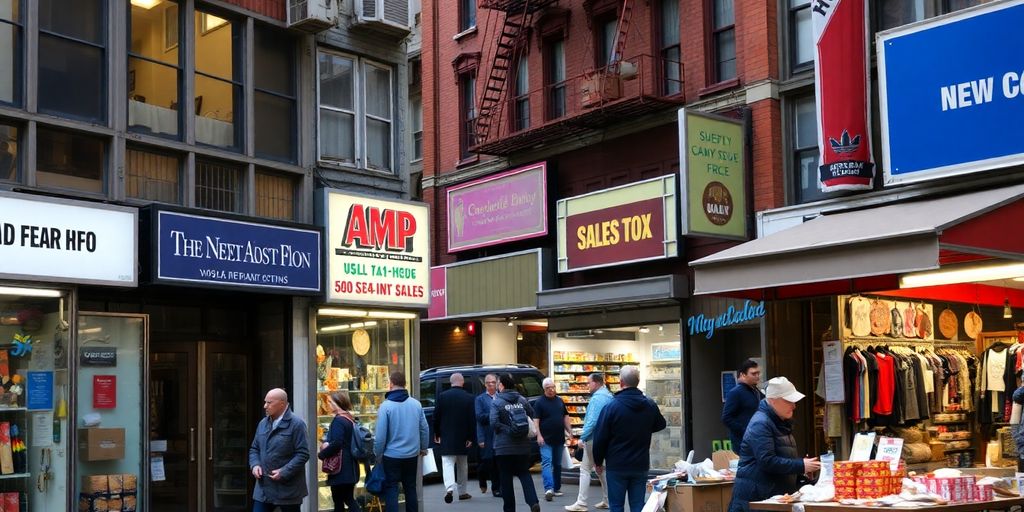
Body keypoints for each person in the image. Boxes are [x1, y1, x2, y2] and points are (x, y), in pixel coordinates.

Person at [729, 377, 820, 512]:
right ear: (773, 400)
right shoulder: (761, 423)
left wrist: (802, 476)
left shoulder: (780, 423)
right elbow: (767, 461)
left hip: (770, 497)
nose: (793, 406)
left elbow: (781, 460)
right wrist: (801, 465)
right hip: (756, 500)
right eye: (789, 401)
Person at [593, 366, 667, 512]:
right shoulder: (649, 404)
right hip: (640, 463)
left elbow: (600, 437)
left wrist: (598, 461)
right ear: (637, 382)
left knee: (616, 506)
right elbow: (661, 424)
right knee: (638, 505)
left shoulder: (611, 407)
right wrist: (644, 429)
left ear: (621, 382)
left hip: (616, 464)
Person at [374, 371, 430, 512]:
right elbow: (424, 428)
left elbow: (380, 436)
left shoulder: (386, 406)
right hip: (411, 454)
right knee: (410, 488)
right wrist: (423, 447)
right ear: (404, 384)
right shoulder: (416, 404)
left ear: (391, 384)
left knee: (391, 488)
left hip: (391, 456)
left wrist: (378, 454)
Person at [249, 388, 310, 512]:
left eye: (269, 402)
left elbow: (303, 454)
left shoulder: (297, 424)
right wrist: (255, 465)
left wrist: (284, 471)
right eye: (265, 402)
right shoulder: (263, 424)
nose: (265, 406)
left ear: (282, 403)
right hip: (263, 488)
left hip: (288, 489)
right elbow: (254, 449)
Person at [490, 373, 542, 512]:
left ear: (501, 385)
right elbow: (532, 414)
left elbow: (493, 422)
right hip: (523, 446)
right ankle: (533, 501)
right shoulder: (522, 399)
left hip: (503, 447)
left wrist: (508, 430)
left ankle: (509, 509)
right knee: (524, 473)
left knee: (506, 478)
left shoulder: (497, 402)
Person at [565, 373, 612, 512]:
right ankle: (608, 500)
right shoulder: (609, 396)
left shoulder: (597, 399)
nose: (587, 385)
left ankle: (581, 502)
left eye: (589, 383)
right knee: (601, 469)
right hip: (605, 439)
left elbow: (592, 421)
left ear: (596, 383)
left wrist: (583, 437)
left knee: (585, 469)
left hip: (593, 439)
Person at [433, 373, 476, 504]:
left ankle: (450, 488)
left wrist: (437, 433)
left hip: (446, 436)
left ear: (450, 382)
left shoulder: (442, 397)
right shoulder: (469, 397)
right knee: (462, 465)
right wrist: (470, 437)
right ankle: (462, 492)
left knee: (447, 463)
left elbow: (436, 417)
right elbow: (472, 420)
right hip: (463, 436)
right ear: (462, 382)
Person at [318, 391, 362, 512]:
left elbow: (337, 443)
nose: (328, 405)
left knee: (341, 499)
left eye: (330, 402)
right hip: (350, 466)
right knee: (347, 498)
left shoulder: (338, 420)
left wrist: (322, 454)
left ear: (337, 403)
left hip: (340, 467)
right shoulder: (349, 418)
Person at [534, 377, 573, 501]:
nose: (551, 390)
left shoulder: (559, 401)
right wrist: (539, 435)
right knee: (546, 463)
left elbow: (565, 416)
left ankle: (556, 488)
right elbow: (536, 421)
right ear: (544, 389)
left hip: (559, 438)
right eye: (548, 388)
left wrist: (569, 430)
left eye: (553, 387)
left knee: (557, 464)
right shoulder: (539, 402)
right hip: (545, 439)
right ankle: (549, 489)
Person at [721, 360, 763, 452]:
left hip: (757, 439)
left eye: (758, 373)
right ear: (743, 375)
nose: (757, 376)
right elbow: (726, 418)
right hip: (743, 442)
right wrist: (745, 430)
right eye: (753, 374)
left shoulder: (756, 392)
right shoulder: (736, 392)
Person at [475, 373, 501, 497]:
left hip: (500, 434)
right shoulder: (480, 399)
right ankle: (482, 476)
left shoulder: (501, 397)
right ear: (485, 384)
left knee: (499, 461)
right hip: (487, 434)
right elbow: (479, 417)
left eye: (493, 382)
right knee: (489, 460)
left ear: (497, 383)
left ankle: (497, 488)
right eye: (488, 382)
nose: (490, 384)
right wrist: (494, 414)